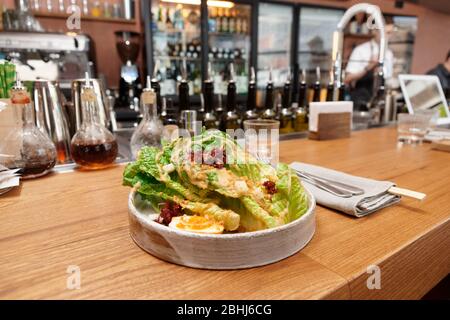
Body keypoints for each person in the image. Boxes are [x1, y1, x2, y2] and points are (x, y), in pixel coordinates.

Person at [344, 24, 394, 110]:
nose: (388, 36)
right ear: (375, 32)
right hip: (359, 100)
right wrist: (369, 67)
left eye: (390, 33)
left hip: (378, 101)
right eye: (386, 32)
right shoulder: (361, 50)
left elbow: (388, 79)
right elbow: (347, 79)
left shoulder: (389, 54)